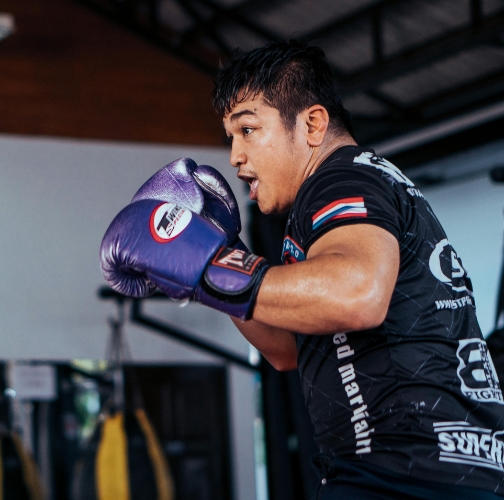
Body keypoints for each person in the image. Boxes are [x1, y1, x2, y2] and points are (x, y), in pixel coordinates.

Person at [100, 39, 504, 499]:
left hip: (405, 472)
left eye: (248, 130)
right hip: (427, 471)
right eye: (231, 137)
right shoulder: (351, 189)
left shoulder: (341, 177)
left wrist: (211, 264)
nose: (234, 156)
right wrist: (207, 268)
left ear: (312, 124)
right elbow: (288, 349)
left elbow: (357, 294)